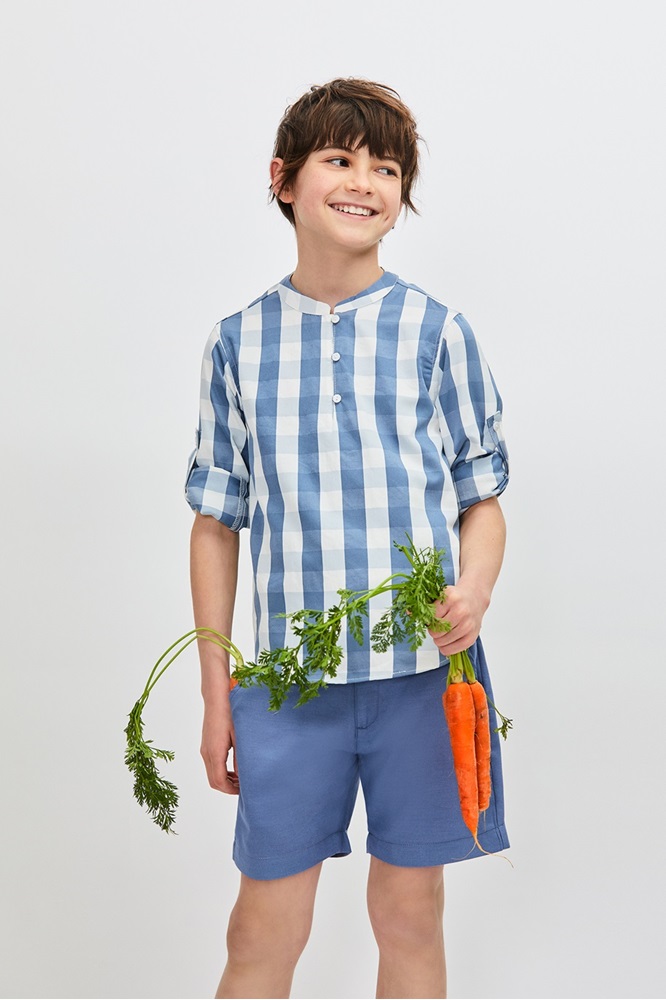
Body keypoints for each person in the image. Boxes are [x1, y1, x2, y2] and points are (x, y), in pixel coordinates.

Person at [185, 78, 510, 1000]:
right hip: (291, 686)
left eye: (387, 167)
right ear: (285, 179)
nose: (364, 180)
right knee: (260, 931)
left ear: (401, 198)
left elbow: (481, 497)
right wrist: (220, 695)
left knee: (410, 917)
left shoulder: (436, 330)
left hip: (425, 679)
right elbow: (216, 524)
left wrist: (475, 588)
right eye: (339, 158)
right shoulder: (237, 343)